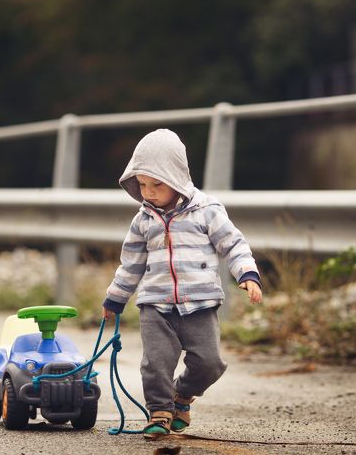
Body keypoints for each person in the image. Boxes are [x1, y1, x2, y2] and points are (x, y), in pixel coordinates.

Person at [101, 128, 263, 439]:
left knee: (210, 364)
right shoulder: (143, 221)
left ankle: (181, 396)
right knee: (156, 363)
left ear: (176, 178)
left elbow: (233, 244)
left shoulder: (207, 211)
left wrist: (247, 273)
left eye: (156, 184)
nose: (148, 192)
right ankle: (159, 412)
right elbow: (131, 264)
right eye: (142, 185)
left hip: (200, 304)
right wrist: (115, 299)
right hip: (155, 305)